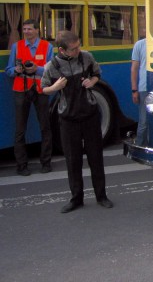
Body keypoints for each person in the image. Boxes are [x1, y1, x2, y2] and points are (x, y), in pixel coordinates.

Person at [41, 31, 113, 213]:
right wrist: (55, 87)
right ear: (62, 50)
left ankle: (101, 195)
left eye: (78, 46)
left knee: (95, 157)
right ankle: (76, 198)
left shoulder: (86, 57)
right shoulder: (52, 66)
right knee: (72, 160)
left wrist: (92, 82)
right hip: (68, 118)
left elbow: (97, 74)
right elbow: (44, 89)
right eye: (74, 49)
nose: (78, 50)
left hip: (89, 115)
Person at [5, 19, 54, 176]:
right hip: (21, 89)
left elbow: (51, 70)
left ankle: (46, 162)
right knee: (20, 129)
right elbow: (8, 70)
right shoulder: (16, 46)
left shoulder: (47, 47)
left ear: (36, 30)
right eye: (24, 29)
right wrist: (17, 70)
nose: (26, 32)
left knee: (45, 127)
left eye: (29, 29)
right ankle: (21, 165)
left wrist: (37, 69)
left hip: (41, 89)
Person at [131, 37, 148, 146]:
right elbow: (134, 68)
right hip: (144, 87)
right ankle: (140, 145)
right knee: (144, 121)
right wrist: (134, 90)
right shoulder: (140, 45)